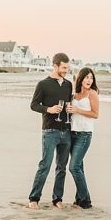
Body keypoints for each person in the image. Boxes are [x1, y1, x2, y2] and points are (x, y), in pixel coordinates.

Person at [28, 53, 74, 209]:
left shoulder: (68, 84)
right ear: (55, 66)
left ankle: (57, 199)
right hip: (50, 131)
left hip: (66, 131)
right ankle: (34, 198)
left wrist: (70, 109)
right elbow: (34, 105)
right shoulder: (43, 84)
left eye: (68, 67)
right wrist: (49, 109)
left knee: (62, 167)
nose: (66, 70)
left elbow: (70, 104)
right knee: (45, 165)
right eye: (63, 67)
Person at [68, 67, 100, 209]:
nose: (89, 80)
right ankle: (80, 200)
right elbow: (71, 113)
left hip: (85, 134)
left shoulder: (92, 94)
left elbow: (95, 114)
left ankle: (85, 201)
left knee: (73, 167)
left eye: (91, 78)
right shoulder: (74, 95)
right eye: (86, 77)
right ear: (80, 79)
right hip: (72, 133)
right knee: (79, 167)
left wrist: (77, 110)